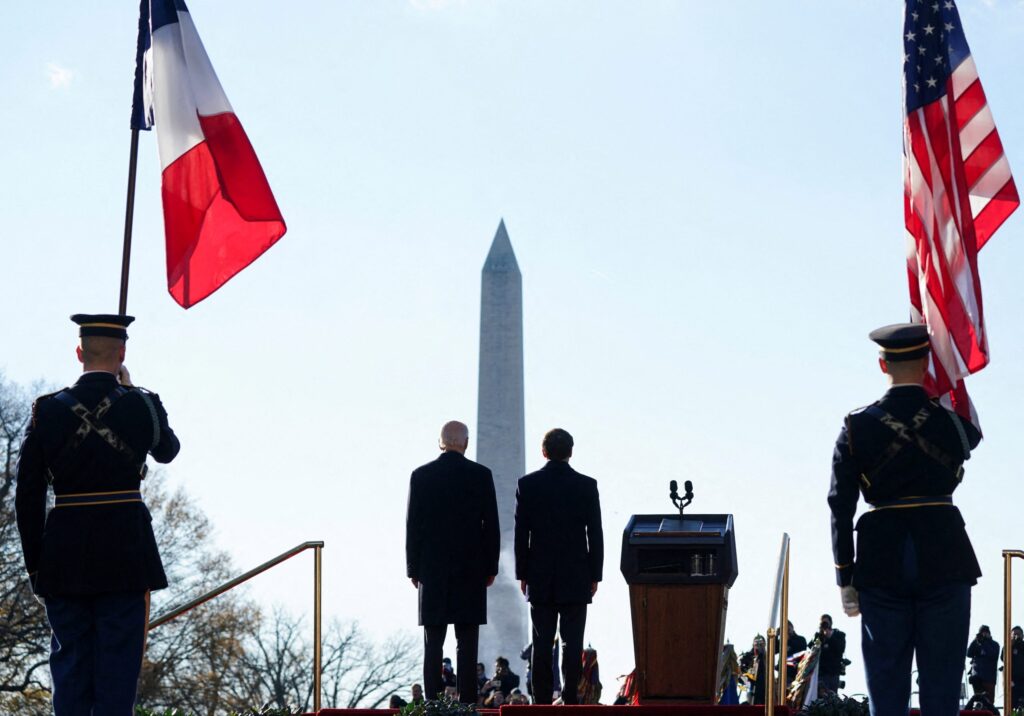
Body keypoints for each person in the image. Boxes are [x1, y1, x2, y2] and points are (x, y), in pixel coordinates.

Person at [14, 314, 180, 716]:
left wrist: (36, 566)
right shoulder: (142, 403)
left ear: (79, 353)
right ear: (122, 353)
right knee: (118, 672)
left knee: (70, 668)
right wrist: (131, 392)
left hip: (64, 556)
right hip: (125, 554)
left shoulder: (45, 411)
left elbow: (28, 495)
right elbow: (168, 450)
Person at [828, 323, 982, 716]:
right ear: (928, 363)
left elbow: (840, 504)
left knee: (886, 691)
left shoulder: (856, 427)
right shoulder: (951, 423)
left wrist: (845, 575)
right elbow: (973, 436)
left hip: (882, 562)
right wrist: (951, 381)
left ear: (883, 365)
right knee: (942, 691)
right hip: (945, 556)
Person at [405, 420, 500, 704]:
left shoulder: (421, 475)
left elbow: (413, 527)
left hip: (432, 569)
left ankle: (433, 702)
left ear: (440, 442)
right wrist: (491, 568)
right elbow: (491, 527)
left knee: (433, 642)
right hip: (471, 570)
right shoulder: (481, 475)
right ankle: (467, 701)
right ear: (466, 444)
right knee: (467, 643)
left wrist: (413, 569)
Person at [514, 428, 604, 705]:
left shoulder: (528, 485)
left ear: (543, 452)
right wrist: (595, 574)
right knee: (572, 642)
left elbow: (521, 534)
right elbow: (595, 534)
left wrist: (522, 573)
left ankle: (541, 700)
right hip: (576, 574)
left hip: (539, 575)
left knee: (541, 643)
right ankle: (569, 698)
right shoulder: (586, 485)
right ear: (571, 452)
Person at [815, 614, 847, 696]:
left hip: (833, 672)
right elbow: (813, 649)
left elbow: (840, 649)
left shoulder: (839, 634)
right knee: (819, 696)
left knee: (831, 696)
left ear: (830, 623)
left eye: (826, 622)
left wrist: (830, 636)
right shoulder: (818, 636)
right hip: (820, 672)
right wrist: (820, 636)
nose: (824, 624)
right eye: (822, 623)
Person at [967, 625, 999, 702]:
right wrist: (975, 640)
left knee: (989, 702)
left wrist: (984, 643)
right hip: (977, 677)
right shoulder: (977, 643)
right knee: (979, 702)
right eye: (982, 633)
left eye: (986, 632)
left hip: (989, 678)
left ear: (989, 633)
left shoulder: (994, 644)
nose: (983, 634)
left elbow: (993, 655)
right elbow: (968, 653)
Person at [739, 635, 767, 705]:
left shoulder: (768, 657)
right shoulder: (747, 657)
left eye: (761, 645)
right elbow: (740, 675)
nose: (759, 647)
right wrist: (748, 682)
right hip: (751, 689)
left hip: (765, 689)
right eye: (757, 644)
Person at [1001, 626, 1024, 708]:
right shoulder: (1008, 646)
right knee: (1011, 704)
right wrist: (1011, 644)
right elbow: (1003, 658)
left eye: (1019, 634)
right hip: (1012, 679)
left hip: (1022, 680)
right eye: (1014, 634)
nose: (1016, 636)